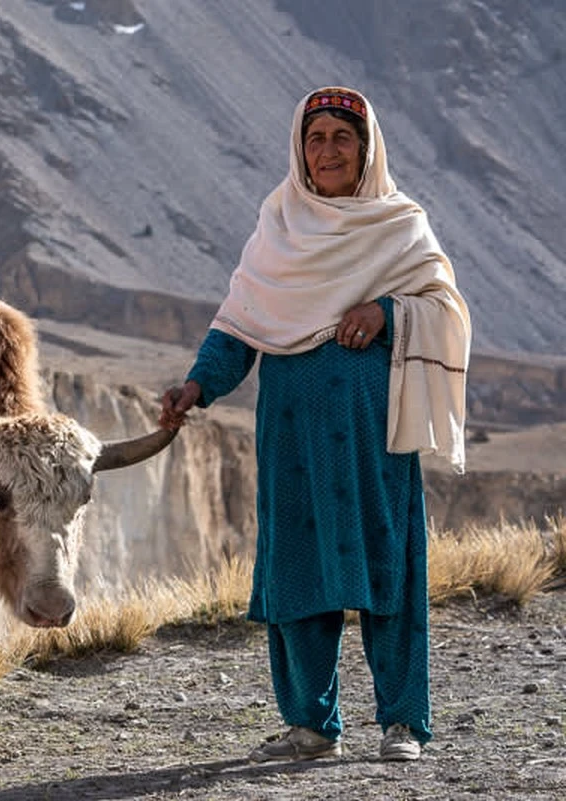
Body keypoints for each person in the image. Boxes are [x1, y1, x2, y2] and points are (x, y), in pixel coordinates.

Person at [160, 86, 470, 763]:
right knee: (297, 570)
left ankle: (403, 722)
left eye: (342, 137)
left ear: (367, 149)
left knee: (387, 567)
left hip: (372, 437)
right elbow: (238, 324)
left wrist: (388, 311)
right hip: (291, 437)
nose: (328, 150)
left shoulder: (398, 225)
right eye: (316, 138)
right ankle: (311, 725)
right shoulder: (278, 227)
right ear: (300, 151)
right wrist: (196, 386)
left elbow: (443, 307)